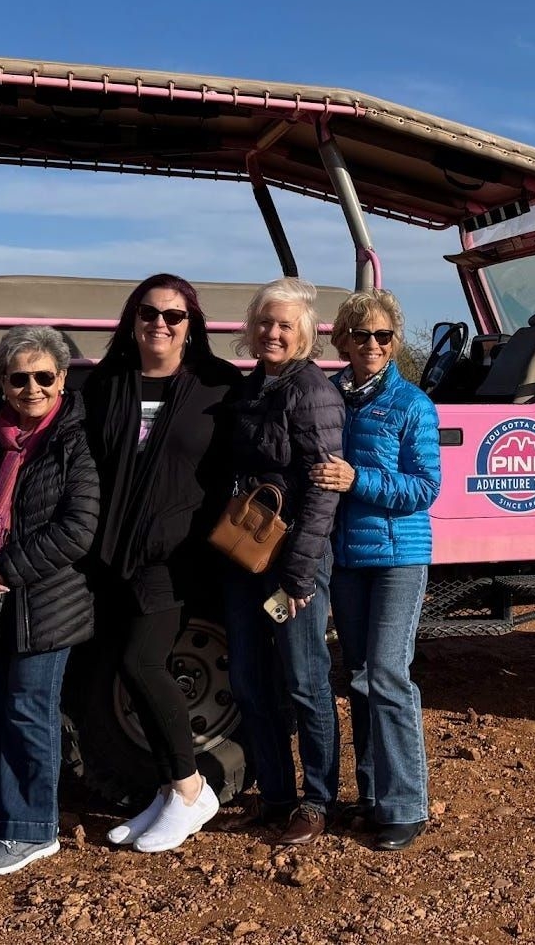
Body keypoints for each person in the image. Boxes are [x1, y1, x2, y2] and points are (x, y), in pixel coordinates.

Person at [82, 275, 243, 853]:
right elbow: (58, 439)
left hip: (179, 554)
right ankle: (168, 791)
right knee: (127, 670)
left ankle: (191, 786)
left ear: (191, 325)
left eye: (174, 316)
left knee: (142, 662)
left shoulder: (219, 385)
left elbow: (265, 444)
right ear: (132, 319)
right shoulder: (105, 384)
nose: (161, 324)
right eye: (149, 313)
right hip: (112, 553)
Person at [0, 325, 99, 877]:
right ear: (3, 383)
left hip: (45, 602)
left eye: (43, 376)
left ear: (61, 381)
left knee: (29, 712)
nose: (30, 387)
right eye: (18, 377)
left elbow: (78, 529)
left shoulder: (77, 439)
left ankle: (32, 831)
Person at [310, 290, 440, 851]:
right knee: (359, 678)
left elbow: (425, 487)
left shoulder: (412, 404)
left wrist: (356, 480)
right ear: (341, 339)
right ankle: (372, 796)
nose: (372, 344)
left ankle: (407, 803)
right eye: (361, 335)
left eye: (383, 336)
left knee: (387, 675)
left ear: (393, 342)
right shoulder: (328, 398)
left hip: (397, 558)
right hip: (346, 559)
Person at [225, 277, 345, 846]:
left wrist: (299, 573)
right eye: (265, 322)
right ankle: (275, 794)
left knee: (303, 679)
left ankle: (317, 800)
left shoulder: (312, 393)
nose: (272, 332)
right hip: (245, 557)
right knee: (250, 678)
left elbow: (323, 492)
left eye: (284, 325)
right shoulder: (253, 387)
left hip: (292, 565)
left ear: (305, 335)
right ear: (251, 328)